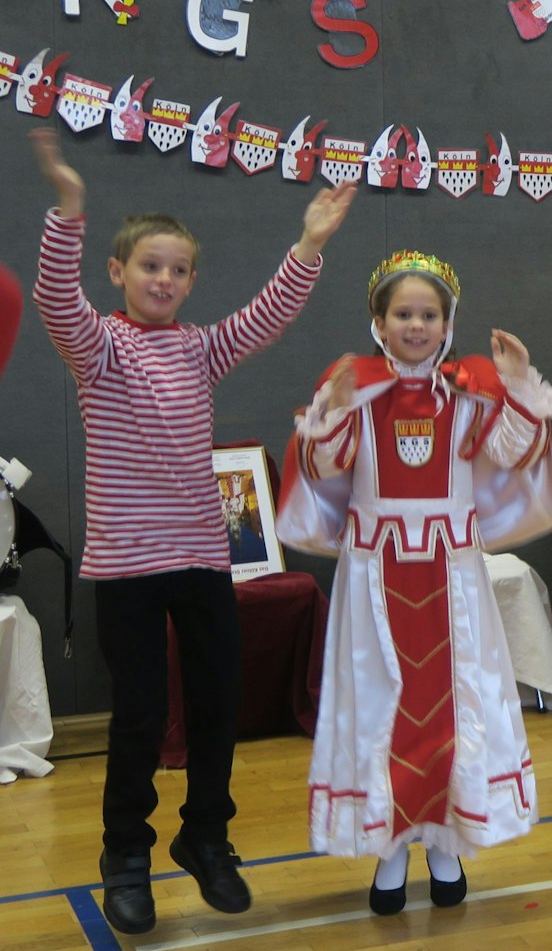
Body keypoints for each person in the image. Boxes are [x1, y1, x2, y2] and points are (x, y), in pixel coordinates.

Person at [29, 127, 352, 935]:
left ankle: (207, 837)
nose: (164, 278)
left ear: (190, 280)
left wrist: (309, 244)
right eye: (149, 266)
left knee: (215, 705)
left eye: (177, 269)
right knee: (140, 714)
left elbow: (268, 315)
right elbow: (53, 302)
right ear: (120, 272)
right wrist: (68, 209)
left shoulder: (201, 349)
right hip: (129, 568)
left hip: (205, 560)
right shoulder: (99, 348)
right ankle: (125, 856)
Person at [278, 251, 552, 914]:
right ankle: (389, 847)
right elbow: (326, 463)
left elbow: (512, 453)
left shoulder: (470, 388)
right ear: (378, 321)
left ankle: (446, 841)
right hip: (375, 572)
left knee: (454, 702)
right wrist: (331, 417)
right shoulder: (352, 385)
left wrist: (520, 387)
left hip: (452, 573)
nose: (416, 324)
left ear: (447, 321)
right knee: (386, 702)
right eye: (403, 313)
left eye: (428, 314)